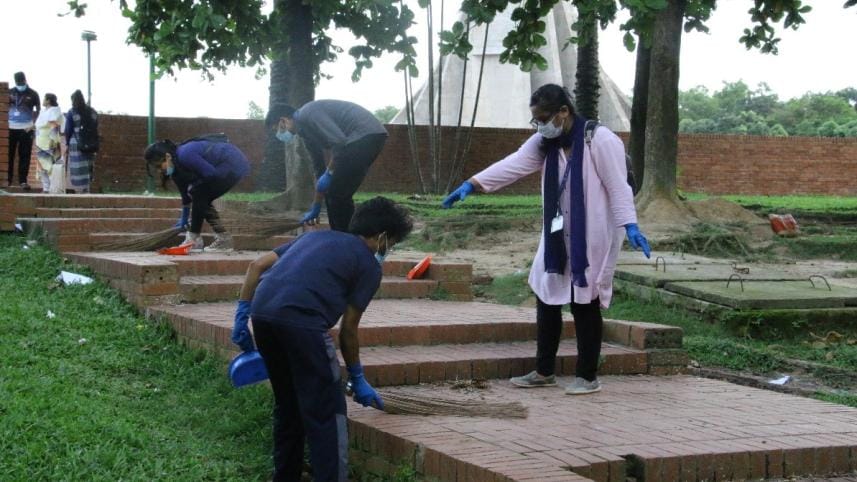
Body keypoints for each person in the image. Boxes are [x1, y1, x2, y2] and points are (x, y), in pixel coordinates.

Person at [442, 84, 651, 395]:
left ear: (563, 112)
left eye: (543, 118)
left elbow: (618, 186)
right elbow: (514, 164)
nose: (539, 125)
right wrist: (472, 184)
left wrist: (630, 225)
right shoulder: (545, 142)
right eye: (535, 120)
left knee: (585, 297)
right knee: (546, 290)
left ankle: (587, 376)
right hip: (556, 232)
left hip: (593, 231)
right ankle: (544, 371)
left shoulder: (600, 139)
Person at [231, 196, 413, 482]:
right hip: (303, 325)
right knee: (327, 413)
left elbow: (256, 266)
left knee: (288, 404)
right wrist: (357, 376)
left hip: (263, 316)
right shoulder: (368, 265)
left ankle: (286, 475)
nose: (388, 250)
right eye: (392, 244)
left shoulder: (312, 238)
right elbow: (348, 329)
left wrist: (242, 314)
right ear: (382, 237)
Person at [265, 100, 388, 231]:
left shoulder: (308, 114)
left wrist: (329, 172)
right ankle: (345, 235)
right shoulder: (305, 134)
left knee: (336, 194)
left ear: (283, 120)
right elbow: (319, 168)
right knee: (338, 193)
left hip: (364, 135)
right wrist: (316, 206)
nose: (279, 134)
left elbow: (339, 142)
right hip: (368, 137)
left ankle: (344, 238)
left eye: (277, 129)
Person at [144, 135, 251, 252]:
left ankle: (194, 238)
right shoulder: (176, 170)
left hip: (233, 163)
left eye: (159, 166)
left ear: (167, 156)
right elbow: (186, 198)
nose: (160, 170)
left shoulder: (185, 154)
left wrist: (194, 187)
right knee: (199, 196)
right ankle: (220, 239)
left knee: (198, 193)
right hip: (219, 169)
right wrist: (184, 219)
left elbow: (210, 174)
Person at [8, 72, 40, 190]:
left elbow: (39, 111)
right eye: (18, 83)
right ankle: (8, 180)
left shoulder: (33, 94)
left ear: (25, 80)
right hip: (10, 128)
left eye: (21, 82)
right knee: (9, 155)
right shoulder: (9, 92)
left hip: (26, 128)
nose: (20, 85)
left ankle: (23, 181)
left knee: (25, 155)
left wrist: (33, 125)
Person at [64, 90, 97, 193]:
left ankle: (78, 190)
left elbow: (68, 130)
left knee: (77, 166)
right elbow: (96, 125)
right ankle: (87, 189)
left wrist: (67, 143)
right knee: (88, 165)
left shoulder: (72, 112)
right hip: (91, 141)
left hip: (76, 142)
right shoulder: (92, 111)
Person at [34, 94, 64, 193]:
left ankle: (53, 188)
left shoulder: (55, 111)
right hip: (40, 141)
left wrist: (53, 141)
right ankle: (46, 188)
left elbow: (54, 127)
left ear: (48, 100)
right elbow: (38, 125)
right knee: (42, 166)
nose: (43, 100)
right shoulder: (43, 111)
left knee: (51, 165)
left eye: (44, 98)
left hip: (50, 141)